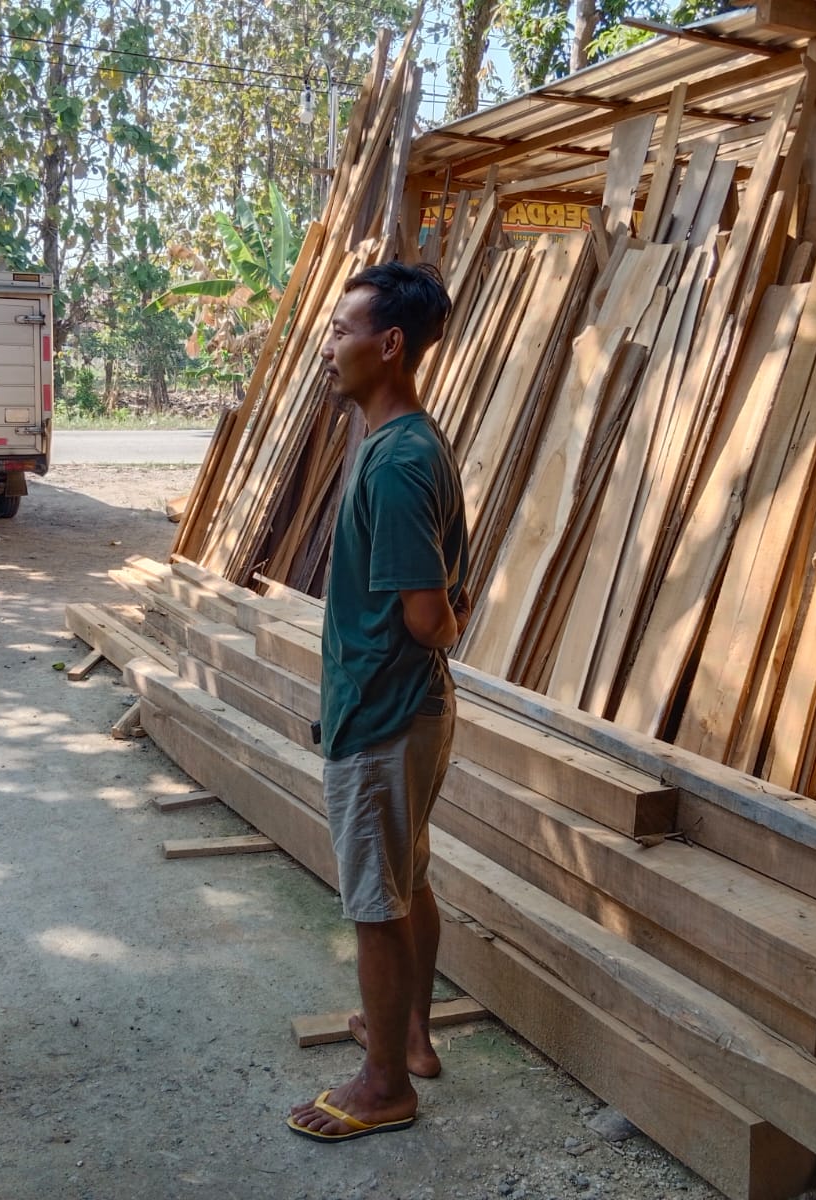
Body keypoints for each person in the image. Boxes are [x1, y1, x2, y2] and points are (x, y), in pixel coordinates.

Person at [287, 262, 469, 1143]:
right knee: (407, 879)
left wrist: (435, 630)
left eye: (339, 330)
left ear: (388, 345)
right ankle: (414, 1037)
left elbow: (430, 616)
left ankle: (384, 1082)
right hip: (404, 708)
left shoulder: (397, 464)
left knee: (375, 901)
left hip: (388, 715)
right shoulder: (399, 443)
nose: (329, 347)